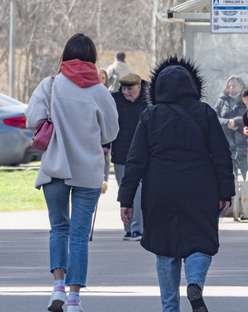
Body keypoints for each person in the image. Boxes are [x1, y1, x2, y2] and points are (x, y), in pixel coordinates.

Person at [118, 56, 235, 312]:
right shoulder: (204, 112)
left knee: (165, 248)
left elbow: (135, 160)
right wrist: (225, 191)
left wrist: (126, 199)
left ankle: (169, 307)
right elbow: (222, 154)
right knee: (201, 243)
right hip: (200, 188)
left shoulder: (150, 115)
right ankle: (194, 283)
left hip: (160, 189)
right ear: (191, 86)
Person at [26, 33, 119, 312]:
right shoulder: (100, 92)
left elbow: (32, 119)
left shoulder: (50, 84)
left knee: (58, 228)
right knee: (79, 235)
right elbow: (111, 132)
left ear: (65, 56)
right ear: (92, 58)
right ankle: (75, 299)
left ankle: (57, 288)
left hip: (54, 167)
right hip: (88, 172)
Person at [107, 73, 149, 241]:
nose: (125, 92)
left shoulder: (149, 101)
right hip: (121, 155)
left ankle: (137, 229)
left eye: (129, 89)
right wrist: (105, 146)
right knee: (125, 192)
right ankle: (128, 228)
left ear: (139, 87)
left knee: (139, 192)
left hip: (143, 156)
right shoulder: (114, 100)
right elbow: (107, 125)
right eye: (123, 88)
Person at [213, 76, 248, 179]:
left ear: (242, 87)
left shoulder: (247, 100)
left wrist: (237, 121)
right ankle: (233, 196)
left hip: (244, 144)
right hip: (226, 144)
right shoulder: (222, 101)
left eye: (234, 85)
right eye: (229, 86)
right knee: (229, 176)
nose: (231, 88)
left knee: (247, 175)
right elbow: (213, 118)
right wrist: (227, 122)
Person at [97, 68, 111, 194]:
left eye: (103, 78)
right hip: (93, 134)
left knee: (105, 158)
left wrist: (107, 144)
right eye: (98, 77)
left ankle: (103, 182)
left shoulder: (109, 96)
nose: (100, 80)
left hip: (104, 135)